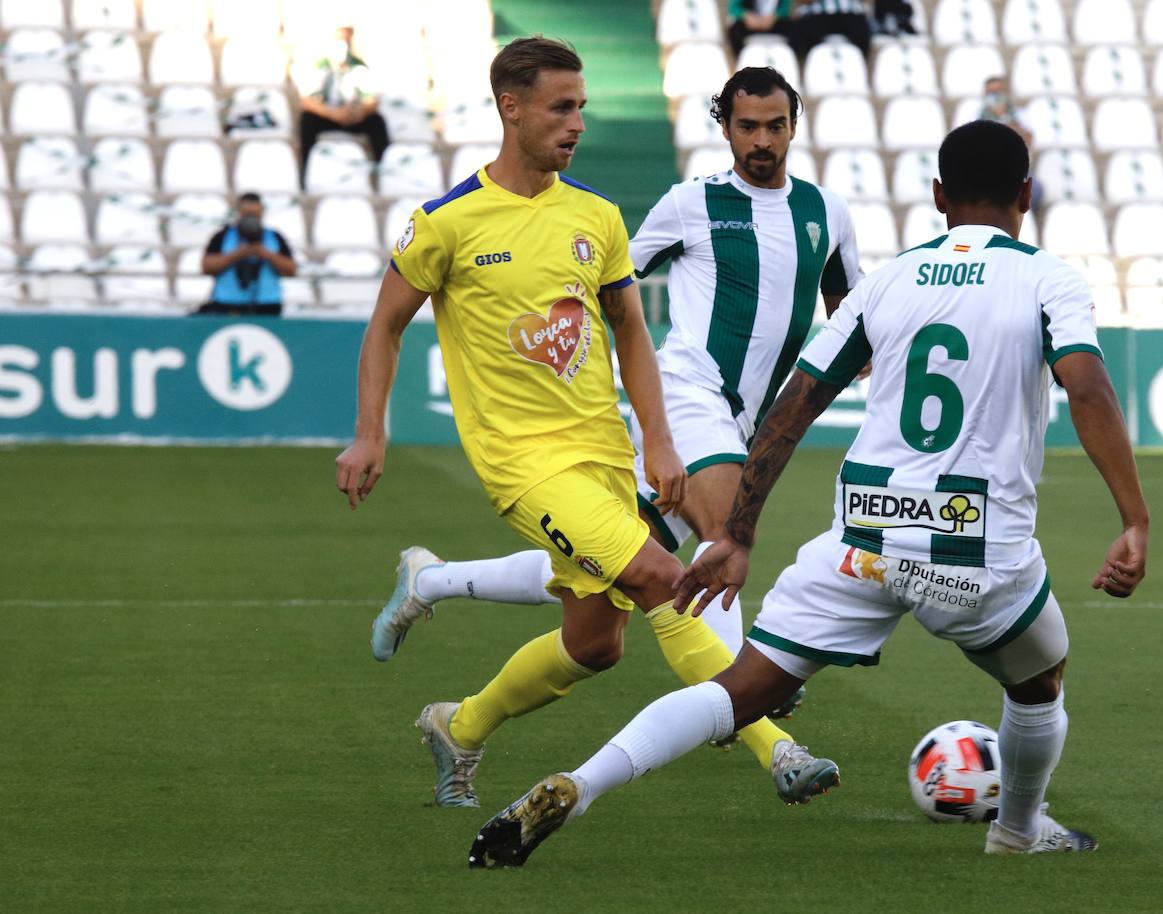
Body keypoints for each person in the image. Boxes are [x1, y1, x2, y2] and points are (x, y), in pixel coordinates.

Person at [469, 120, 1150, 868]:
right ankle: (1018, 829)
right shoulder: (1047, 277)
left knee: (740, 690)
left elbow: (796, 402)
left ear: (937, 196)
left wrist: (738, 535)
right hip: (971, 545)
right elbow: (1085, 387)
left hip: (861, 537)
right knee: (1040, 680)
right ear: (1026, 193)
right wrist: (1133, 519)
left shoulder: (890, 280)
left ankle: (581, 781)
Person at [334, 38, 822, 811]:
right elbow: (385, 325)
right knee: (668, 579)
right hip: (522, 463)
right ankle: (776, 747)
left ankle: (459, 726)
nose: (577, 125)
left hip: (602, 451)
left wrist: (657, 441)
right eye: (562, 109)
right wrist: (371, 431)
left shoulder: (595, 215)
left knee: (595, 644)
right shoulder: (446, 221)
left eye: (582, 109)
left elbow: (630, 328)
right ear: (511, 107)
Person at [297, 25, 389, 166]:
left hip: (353, 116)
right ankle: (304, 171)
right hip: (328, 115)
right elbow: (307, 101)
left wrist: (360, 112)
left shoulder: (359, 66)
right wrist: (333, 113)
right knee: (307, 121)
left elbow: (373, 100)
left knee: (377, 122)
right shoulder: (321, 65)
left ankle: (383, 170)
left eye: (347, 41)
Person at [199, 192, 297, 316]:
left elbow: (292, 270)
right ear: (239, 214)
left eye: (255, 215)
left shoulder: (274, 237)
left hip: (267, 306)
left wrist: (267, 254)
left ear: (262, 213)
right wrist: (237, 255)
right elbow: (206, 267)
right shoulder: (223, 236)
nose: (251, 219)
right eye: (247, 215)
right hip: (227, 305)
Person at [979, 76, 1041, 214]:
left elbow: (1029, 139)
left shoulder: (1021, 115)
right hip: (984, 170)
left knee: (1034, 189)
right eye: (991, 92)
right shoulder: (975, 115)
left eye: (999, 91)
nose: (995, 96)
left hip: (1017, 170)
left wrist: (1004, 118)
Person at [788, 0, 873, 64]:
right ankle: (805, 65)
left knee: (862, 31)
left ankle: (861, 64)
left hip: (850, 13)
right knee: (800, 31)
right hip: (819, 14)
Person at [727, 0, 792, 57]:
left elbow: (786, 8)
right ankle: (740, 58)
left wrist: (775, 17)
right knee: (735, 30)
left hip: (775, 24)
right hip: (750, 25)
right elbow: (733, 8)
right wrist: (746, 16)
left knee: (792, 27)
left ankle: (792, 58)